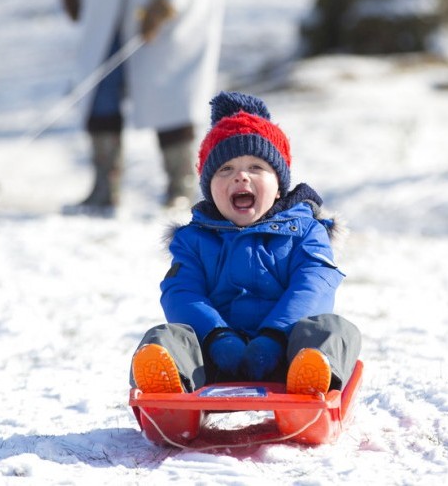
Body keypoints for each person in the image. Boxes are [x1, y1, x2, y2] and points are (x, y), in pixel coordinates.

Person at [129, 91, 362, 396]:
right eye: (225, 169)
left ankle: (314, 377)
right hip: (211, 359)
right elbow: (181, 292)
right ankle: (167, 384)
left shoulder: (306, 232)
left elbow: (314, 285)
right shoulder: (193, 240)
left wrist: (276, 336)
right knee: (165, 336)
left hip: (290, 356)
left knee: (334, 330)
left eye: (256, 168)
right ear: (209, 189)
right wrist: (217, 336)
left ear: (279, 187)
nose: (240, 176)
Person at [60, 0, 225, 211]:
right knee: (100, 88)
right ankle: (104, 186)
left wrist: (168, 0)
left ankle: (180, 184)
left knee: (170, 93)